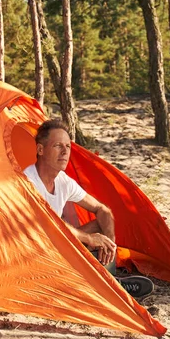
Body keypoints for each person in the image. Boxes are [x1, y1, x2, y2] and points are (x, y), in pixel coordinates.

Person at [23, 119, 154, 298]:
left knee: (101, 225)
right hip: (32, 254)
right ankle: (107, 283)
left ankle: (108, 277)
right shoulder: (27, 181)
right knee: (74, 241)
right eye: (57, 146)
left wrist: (110, 243)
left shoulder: (63, 181)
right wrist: (88, 238)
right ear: (40, 150)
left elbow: (103, 209)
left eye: (68, 146)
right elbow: (48, 222)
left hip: (58, 245)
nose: (64, 152)